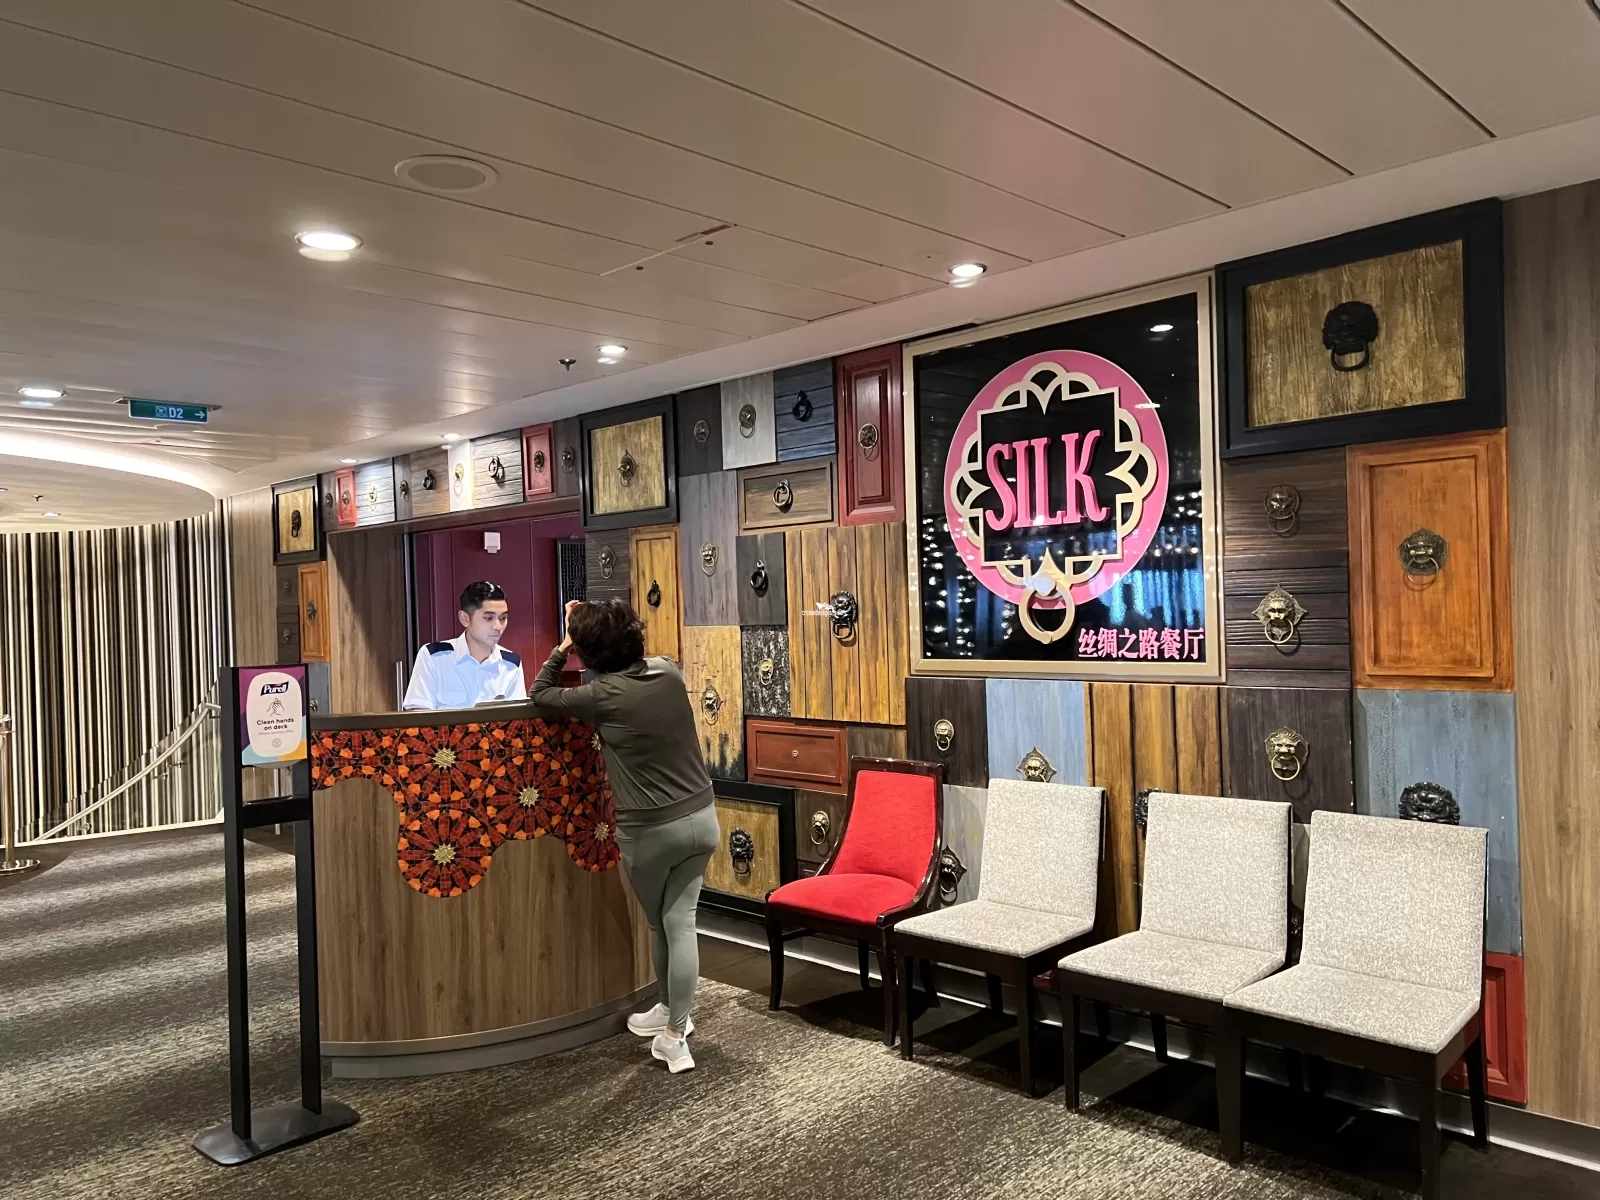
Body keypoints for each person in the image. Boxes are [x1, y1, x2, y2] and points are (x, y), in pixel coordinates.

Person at [529, 598, 717, 1074]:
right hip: (702, 817)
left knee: (663, 925)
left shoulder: (599, 696)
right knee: (682, 922)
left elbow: (541, 693)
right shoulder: (668, 671)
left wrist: (563, 645)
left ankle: (675, 1035)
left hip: (650, 831)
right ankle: (674, 1017)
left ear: (589, 653)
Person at [401, 581, 525, 710]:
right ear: (464, 618)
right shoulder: (434, 657)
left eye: (503, 618)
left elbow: (518, 718)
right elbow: (419, 714)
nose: (498, 626)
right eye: (488, 618)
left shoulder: (511, 665)